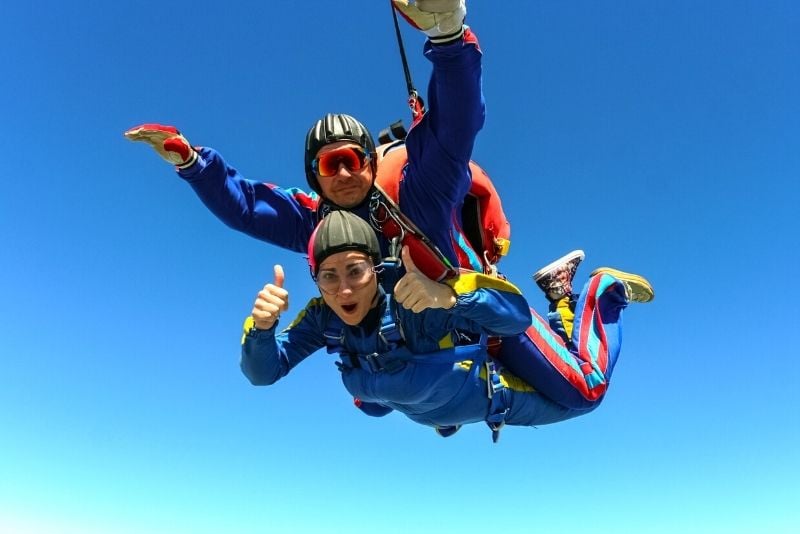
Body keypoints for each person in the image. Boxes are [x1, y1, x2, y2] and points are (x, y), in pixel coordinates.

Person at [125, 0, 654, 413]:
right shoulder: (319, 225)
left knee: (584, 390)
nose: (348, 173)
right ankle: (558, 291)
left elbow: (455, 128)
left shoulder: (417, 194)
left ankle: (599, 292)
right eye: (331, 166)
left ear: (370, 162)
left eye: (356, 160)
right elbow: (244, 207)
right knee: (373, 401)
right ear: (316, 178)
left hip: (482, 311)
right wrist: (191, 162)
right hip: (436, 351)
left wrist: (448, 38)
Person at [242, 210, 584, 440]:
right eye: (328, 276)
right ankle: (442, 418)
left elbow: (516, 317)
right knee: (375, 403)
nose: (343, 289)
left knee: (582, 398)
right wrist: (262, 328)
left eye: (356, 271)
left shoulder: (411, 300)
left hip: (490, 396)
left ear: (377, 269)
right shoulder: (324, 317)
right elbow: (264, 372)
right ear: (315, 279)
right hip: (431, 403)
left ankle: (589, 294)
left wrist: (449, 298)